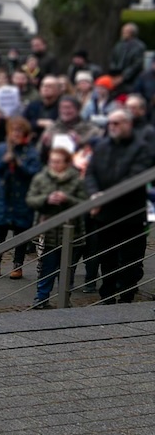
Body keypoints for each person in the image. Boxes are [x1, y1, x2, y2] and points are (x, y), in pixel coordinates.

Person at [83, 110, 155, 304]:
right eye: (110, 123)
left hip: (131, 215)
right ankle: (107, 296)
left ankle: (126, 296)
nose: (112, 126)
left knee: (131, 260)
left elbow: (133, 178)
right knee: (106, 258)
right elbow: (90, 173)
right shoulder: (102, 146)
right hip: (105, 215)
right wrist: (94, 194)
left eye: (117, 123)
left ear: (128, 124)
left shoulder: (142, 148)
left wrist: (103, 196)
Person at [26, 136, 88, 305]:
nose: (55, 165)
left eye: (59, 162)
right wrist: (46, 199)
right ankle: (42, 297)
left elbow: (85, 203)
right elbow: (31, 199)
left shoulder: (76, 179)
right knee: (47, 266)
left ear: (67, 162)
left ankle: (64, 298)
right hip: (49, 232)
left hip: (72, 232)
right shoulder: (41, 178)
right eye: (52, 161)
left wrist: (67, 198)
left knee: (68, 268)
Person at [0, 117, 41, 280]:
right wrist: (4, 161)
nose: (16, 134)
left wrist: (19, 163)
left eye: (19, 131)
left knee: (20, 232)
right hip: (3, 196)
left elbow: (34, 171)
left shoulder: (31, 151)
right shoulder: (1, 148)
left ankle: (17, 265)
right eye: (13, 130)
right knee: (0, 231)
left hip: (22, 196)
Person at [109, 23, 147, 88]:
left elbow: (136, 64)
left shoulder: (139, 46)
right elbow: (113, 59)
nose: (123, 33)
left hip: (132, 79)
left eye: (125, 31)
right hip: (116, 76)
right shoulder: (119, 45)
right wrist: (114, 73)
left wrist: (123, 76)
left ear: (132, 33)